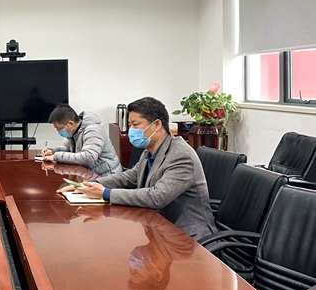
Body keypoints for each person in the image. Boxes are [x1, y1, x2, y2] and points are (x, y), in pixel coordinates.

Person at [58, 97, 216, 238]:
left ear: (157, 125)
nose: (131, 130)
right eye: (130, 125)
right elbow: (128, 177)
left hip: (187, 237)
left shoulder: (181, 155)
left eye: (135, 125)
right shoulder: (150, 150)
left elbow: (156, 197)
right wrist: (88, 185)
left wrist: (105, 193)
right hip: (159, 227)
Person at [41, 104, 122, 176]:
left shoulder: (93, 131)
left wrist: (56, 157)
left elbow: (88, 157)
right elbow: (68, 147)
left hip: (108, 176)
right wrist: (53, 151)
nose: (59, 131)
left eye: (59, 128)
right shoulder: (76, 131)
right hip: (90, 174)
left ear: (70, 123)